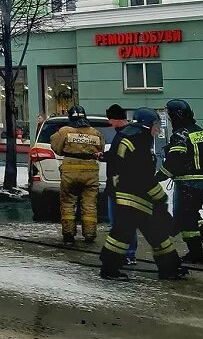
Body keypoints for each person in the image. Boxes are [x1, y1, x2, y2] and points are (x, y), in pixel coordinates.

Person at [99, 108, 187, 281]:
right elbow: (144, 175)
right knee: (124, 235)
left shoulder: (126, 135)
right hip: (135, 196)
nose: (157, 129)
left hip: (127, 194)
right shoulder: (140, 139)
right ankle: (110, 269)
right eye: (155, 125)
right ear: (147, 124)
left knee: (154, 233)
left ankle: (169, 267)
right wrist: (160, 196)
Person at [156, 99, 203, 263]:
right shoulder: (200, 132)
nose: (170, 121)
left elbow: (174, 161)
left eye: (170, 117)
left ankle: (195, 252)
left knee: (185, 219)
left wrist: (158, 178)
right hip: (201, 181)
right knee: (191, 213)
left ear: (177, 116)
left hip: (186, 182)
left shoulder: (180, 135)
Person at [50, 105, 105, 245]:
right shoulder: (96, 133)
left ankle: (68, 235)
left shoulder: (64, 131)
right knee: (90, 204)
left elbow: (56, 147)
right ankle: (89, 234)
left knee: (68, 203)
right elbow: (101, 149)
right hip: (91, 173)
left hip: (70, 173)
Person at [105, 104, 137, 265]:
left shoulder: (125, 135)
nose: (110, 123)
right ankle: (128, 253)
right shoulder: (130, 133)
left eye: (110, 120)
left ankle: (124, 253)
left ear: (117, 119)